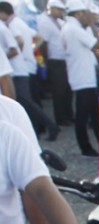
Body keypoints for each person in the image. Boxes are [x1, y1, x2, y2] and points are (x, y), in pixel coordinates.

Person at [0, 2, 59, 141]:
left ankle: (49, 126)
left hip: (18, 71)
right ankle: (41, 129)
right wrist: (29, 51)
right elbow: (39, 37)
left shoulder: (10, 25)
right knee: (29, 102)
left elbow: (17, 44)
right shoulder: (18, 22)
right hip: (23, 68)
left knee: (25, 103)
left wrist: (6, 59)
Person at [61, 0, 99, 156]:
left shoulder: (70, 27)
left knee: (93, 114)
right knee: (83, 116)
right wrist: (92, 25)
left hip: (82, 76)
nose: (88, 17)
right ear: (78, 13)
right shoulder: (74, 29)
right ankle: (86, 147)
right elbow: (98, 45)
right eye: (86, 14)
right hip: (83, 78)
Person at [37, 0, 72, 126]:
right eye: (58, 9)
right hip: (54, 60)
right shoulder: (44, 21)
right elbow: (43, 43)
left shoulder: (59, 21)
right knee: (59, 91)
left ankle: (68, 115)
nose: (60, 12)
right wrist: (45, 61)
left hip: (64, 59)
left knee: (67, 90)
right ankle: (61, 118)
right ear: (51, 8)